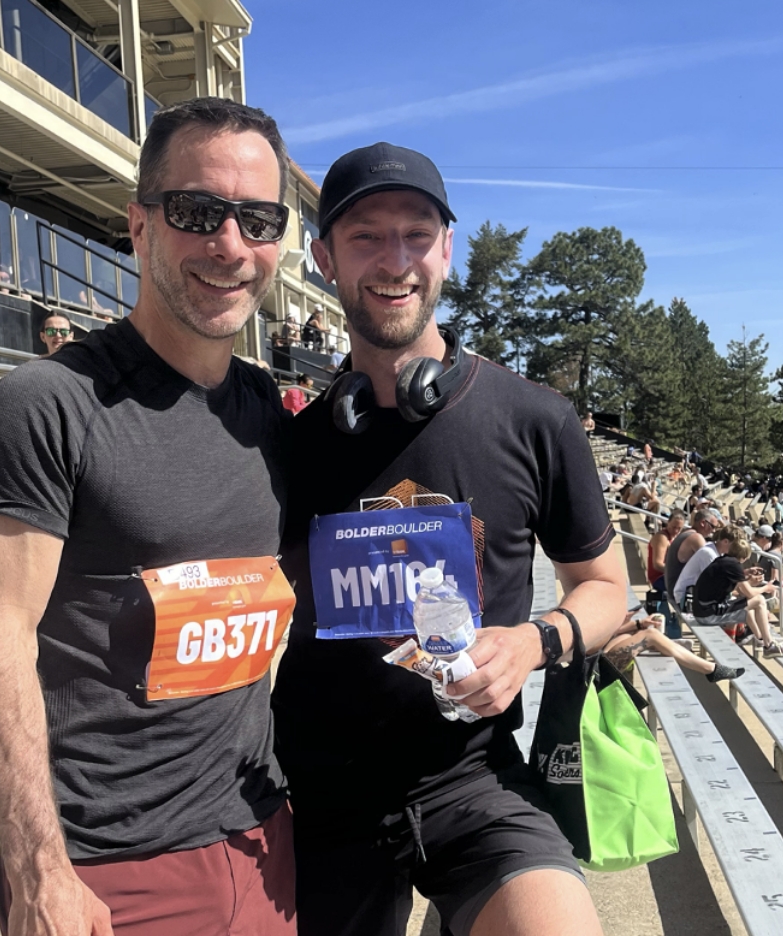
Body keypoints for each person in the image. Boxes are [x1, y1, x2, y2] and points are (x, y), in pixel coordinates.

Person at [0, 98, 297, 936]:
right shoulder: (46, 406)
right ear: (139, 227)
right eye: (197, 212)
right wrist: (40, 872)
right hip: (108, 870)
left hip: (262, 839)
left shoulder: (272, 414)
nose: (229, 245)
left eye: (257, 220)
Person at [272, 142, 627, 936]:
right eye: (365, 237)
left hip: (473, 781)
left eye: (417, 234)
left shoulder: (535, 419)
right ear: (324, 257)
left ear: (448, 251)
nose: (394, 260)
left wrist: (536, 642)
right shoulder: (290, 445)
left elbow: (606, 588)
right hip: (321, 794)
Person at [691, 535, 783, 655]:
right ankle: (769, 645)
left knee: (746, 602)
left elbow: (733, 588)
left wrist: (746, 574)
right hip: (708, 615)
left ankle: (762, 638)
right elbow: (749, 592)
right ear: (745, 557)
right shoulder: (733, 565)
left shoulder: (722, 560)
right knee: (759, 600)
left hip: (702, 611)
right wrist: (766, 587)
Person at [603, 610, 744, 682]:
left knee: (637, 632)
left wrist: (638, 623)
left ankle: (664, 644)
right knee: (650, 634)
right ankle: (711, 669)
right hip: (595, 669)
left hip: (599, 657)